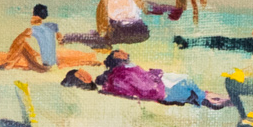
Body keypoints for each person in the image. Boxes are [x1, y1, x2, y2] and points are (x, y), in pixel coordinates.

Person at [62, 47, 226, 108]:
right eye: (81, 76)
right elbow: (145, 87)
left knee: (188, 84)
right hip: (162, 90)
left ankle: (213, 97)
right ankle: (215, 98)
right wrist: (156, 77)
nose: (85, 74)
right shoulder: (117, 77)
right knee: (187, 83)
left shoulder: (111, 77)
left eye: (81, 72)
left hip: (160, 86)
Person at [3, 4, 60, 70]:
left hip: (42, 66)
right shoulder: (52, 26)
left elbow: (17, 41)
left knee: (20, 42)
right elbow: (59, 36)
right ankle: (11, 63)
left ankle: (9, 64)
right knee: (25, 44)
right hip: (53, 65)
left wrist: (33, 22)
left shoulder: (32, 30)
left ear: (35, 15)